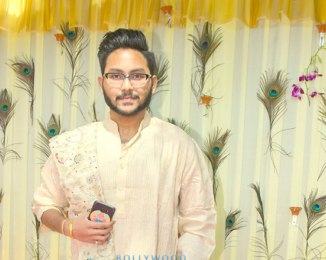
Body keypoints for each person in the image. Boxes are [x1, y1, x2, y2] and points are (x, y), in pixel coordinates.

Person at [33, 28, 216, 260]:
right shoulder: (74, 145)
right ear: (101, 83)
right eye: (116, 76)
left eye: (138, 76)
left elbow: (200, 221)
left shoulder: (179, 145)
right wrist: (68, 227)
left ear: (153, 83)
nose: (127, 86)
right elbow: (44, 203)